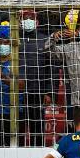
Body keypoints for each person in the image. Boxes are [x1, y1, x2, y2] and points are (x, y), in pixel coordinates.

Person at [19, 10, 57, 146]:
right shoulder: (14, 39)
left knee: (37, 127)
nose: (28, 20)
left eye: (31, 18)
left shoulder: (44, 40)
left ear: (37, 22)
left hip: (38, 90)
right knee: (18, 127)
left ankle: (38, 150)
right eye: (25, 18)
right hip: (16, 93)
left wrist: (49, 92)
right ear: (20, 22)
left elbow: (51, 68)